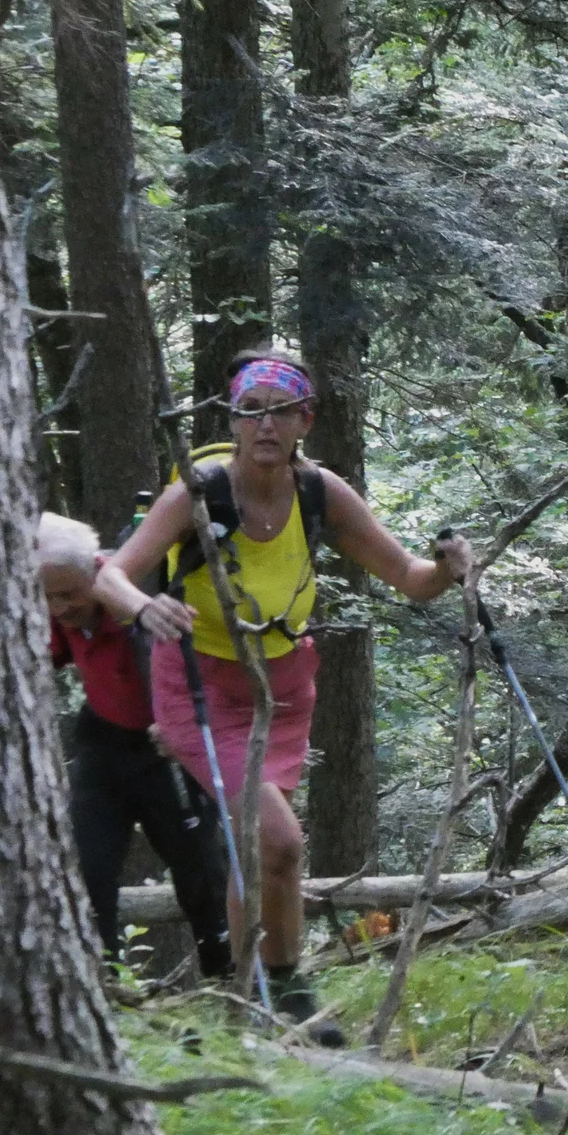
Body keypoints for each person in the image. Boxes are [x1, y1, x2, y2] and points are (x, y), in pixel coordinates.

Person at [95, 350, 473, 1043]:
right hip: (199, 685)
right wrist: (144, 610)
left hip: (284, 687)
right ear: (233, 419)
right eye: (250, 410)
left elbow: (411, 579)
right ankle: (281, 989)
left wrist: (451, 567)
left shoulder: (319, 493)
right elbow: (113, 576)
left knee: (261, 851)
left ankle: (254, 996)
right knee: (278, 840)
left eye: (280, 410)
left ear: (306, 419)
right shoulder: (198, 490)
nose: (264, 425)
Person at [38, 512, 234, 980]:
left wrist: (181, 724)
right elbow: (47, 653)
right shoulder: (58, 603)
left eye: (69, 594)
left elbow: (213, 673)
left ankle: (226, 979)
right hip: (104, 742)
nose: (60, 606)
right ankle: (103, 982)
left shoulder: (142, 592)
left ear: (97, 571)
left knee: (199, 868)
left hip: (169, 748)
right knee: (86, 866)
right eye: (48, 596)